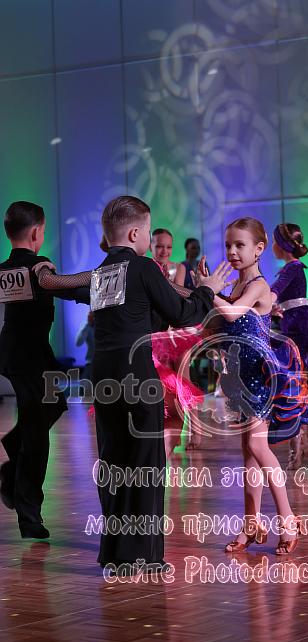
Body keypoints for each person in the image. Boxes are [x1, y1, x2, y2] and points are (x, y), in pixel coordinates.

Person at [34, 196, 230, 572]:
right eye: (149, 232)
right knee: (145, 464)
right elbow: (184, 314)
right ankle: (142, 557)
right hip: (137, 377)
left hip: (102, 377)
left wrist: (42, 270)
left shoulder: (102, 272)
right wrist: (207, 289)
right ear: (136, 233)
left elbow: (62, 287)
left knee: (113, 462)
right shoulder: (142, 267)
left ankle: (114, 554)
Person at [208, 216, 308, 555]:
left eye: (239, 245)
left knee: (258, 448)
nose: (232, 251)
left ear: (259, 249)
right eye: (228, 245)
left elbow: (232, 314)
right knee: (249, 454)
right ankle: (251, 525)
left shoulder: (258, 285)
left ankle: (288, 519)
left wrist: (208, 292)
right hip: (240, 377)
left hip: (260, 375)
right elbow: (223, 324)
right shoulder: (235, 287)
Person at [0, 201, 88, 539]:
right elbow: (64, 287)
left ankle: (12, 457)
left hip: (22, 352)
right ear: (37, 232)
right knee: (37, 436)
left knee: (54, 406)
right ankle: (28, 514)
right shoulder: (39, 267)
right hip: (29, 357)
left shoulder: (6, 269)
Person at [270, 222, 308, 468]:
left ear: (281, 245)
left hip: (301, 327)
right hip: (295, 323)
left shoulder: (292, 267)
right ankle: (300, 441)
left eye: (274, 241)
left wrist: (257, 300)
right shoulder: (292, 267)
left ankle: (298, 444)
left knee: (294, 382)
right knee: (296, 383)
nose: (272, 246)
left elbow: (274, 292)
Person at [75, 311, 95, 382]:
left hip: (106, 362)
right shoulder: (86, 326)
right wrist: (88, 324)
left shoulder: (106, 325)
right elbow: (78, 343)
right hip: (91, 363)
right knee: (85, 384)